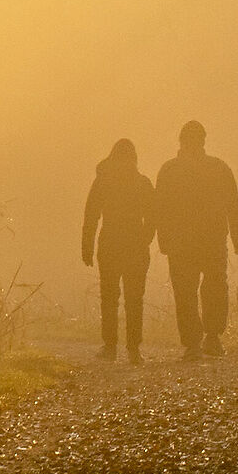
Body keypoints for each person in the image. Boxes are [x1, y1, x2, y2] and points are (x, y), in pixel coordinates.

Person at [155, 120, 238, 359]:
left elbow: (160, 209)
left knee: (189, 290)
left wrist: (164, 240)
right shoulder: (217, 168)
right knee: (212, 287)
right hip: (207, 241)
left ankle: (198, 342)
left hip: (189, 242)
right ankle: (209, 339)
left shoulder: (170, 170)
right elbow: (233, 204)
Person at [81, 138, 156, 363]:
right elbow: (153, 218)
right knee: (135, 298)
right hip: (135, 245)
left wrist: (87, 247)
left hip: (110, 243)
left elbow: (91, 216)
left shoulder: (103, 182)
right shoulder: (142, 183)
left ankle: (110, 347)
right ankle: (133, 349)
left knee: (109, 297)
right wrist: (144, 240)